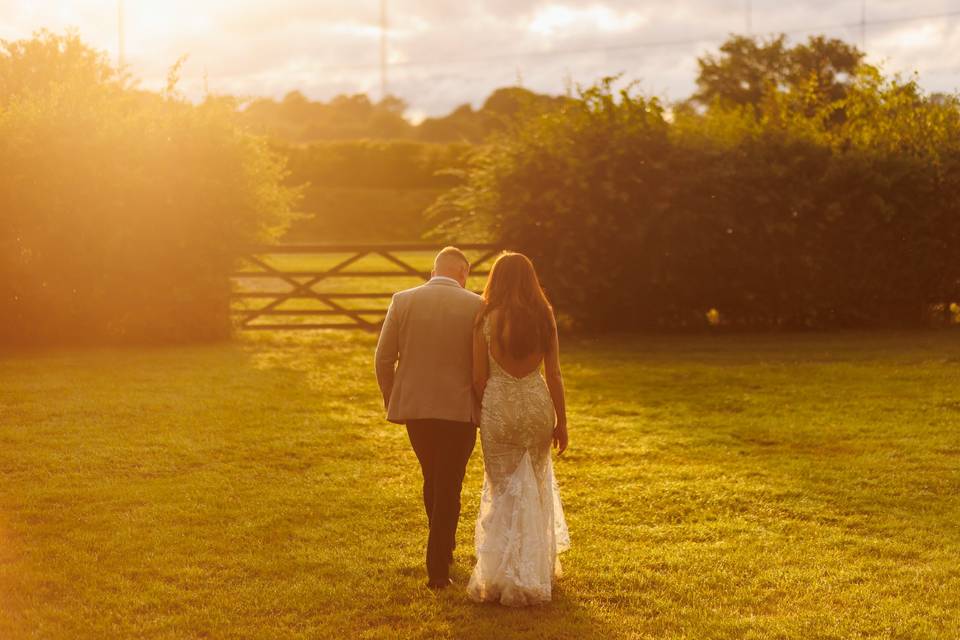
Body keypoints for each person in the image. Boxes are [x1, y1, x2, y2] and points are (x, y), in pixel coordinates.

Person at [374, 246, 483, 589]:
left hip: (417, 409)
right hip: (458, 410)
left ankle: (444, 548)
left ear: (433, 271)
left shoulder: (403, 300)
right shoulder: (476, 305)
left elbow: (383, 358)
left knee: (433, 477)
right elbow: (484, 363)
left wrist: (394, 400)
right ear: (463, 273)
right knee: (448, 483)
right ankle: (438, 567)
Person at [466, 251, 570, 606]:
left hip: (500, 408)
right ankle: (533, 571)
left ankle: (499, 577)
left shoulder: (486, 317)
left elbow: (479, 378)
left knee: (503, 491)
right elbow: (554, 374)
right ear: (530, 279)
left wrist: (492, 403)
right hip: (537, 407)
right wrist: (562, 421)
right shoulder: (544, 316)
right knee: (535, 488)